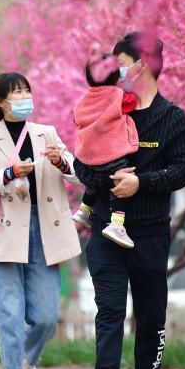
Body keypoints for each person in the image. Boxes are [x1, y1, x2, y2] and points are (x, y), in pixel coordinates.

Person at [73, 33, 185, 369]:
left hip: (150, 232)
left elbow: (184, 168)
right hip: (106, 229)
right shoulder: (107, 109)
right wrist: (108, 181)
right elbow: (81, 163)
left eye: (121, 63)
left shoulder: (172, 118)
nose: (116, 71)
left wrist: (141, 182)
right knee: (108, 309)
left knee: (151, 312)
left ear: (142, 64)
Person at [0, 72, 82, 369]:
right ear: (0, 102)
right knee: (9, 311)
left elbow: (77, 173)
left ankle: (30, 362)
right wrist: (7, 174)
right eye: (16, 93)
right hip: (5, 230)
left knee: (46, 315)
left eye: (27, 91)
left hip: (45, 229)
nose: (24, 98)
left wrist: (62, 161)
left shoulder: (46, 133)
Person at [71, 54, 139, 248]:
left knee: (93, 183)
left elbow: (77, 118)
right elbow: (130, 104)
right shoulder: (116, 95)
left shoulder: (85, 97)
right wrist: (126, 85)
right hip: (111, 152)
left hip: (89, 154)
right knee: (119, 183)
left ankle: (84, 211)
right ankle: (116, 225)